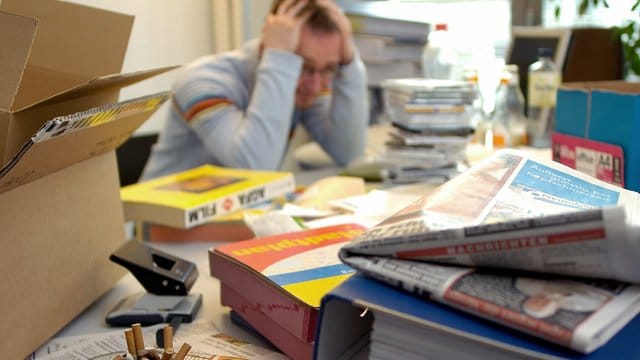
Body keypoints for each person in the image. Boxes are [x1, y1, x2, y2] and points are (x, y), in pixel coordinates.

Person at [140, 0, 368, 180]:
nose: (316, 86)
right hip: (164, 229)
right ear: (267, 48)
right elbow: (255, 167)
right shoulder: (202, 80)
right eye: (304, 66)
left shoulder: (307, 85)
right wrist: (279, 60)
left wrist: (350, 65)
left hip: (231, 219)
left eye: (329, 68)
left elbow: (348, 151)